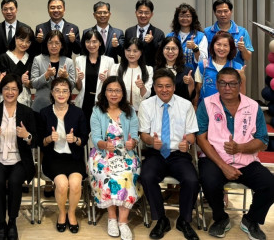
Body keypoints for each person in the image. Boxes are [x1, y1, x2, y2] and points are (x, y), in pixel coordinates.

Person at [196, 68, 274, 240]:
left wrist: (240, 148)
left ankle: (251, 220)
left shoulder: (253, 106)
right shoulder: (207, 104)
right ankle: (220, 218)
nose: (227, 87)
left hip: (245, 160)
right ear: (217, 85)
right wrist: (223, 166)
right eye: (223, 83)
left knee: (270, 184)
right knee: (208, 180)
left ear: (239, 84)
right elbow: (201, 139)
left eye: (232, 83)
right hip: (215, 160)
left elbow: (262, 140)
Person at [138, 69, 200, 240]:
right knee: (147, 177)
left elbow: (192, 135)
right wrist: (151, 141)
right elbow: (143, 134)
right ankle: (161, 219)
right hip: (156, 153)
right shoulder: (146, 105)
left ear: (174, 87)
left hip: (178, 154)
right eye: (160, 86)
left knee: (192, 180)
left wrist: (187, 143)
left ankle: (184, 220)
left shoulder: (185, 105)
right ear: (154, 87)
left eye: (168, 86)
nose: (164, 90)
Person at [0, 74, 37, 240]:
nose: (10, 92)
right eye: (6, 88)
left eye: (14, 89)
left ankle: (12, 222)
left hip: (20, 159)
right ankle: (1, 223)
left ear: (19, 91)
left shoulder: (27, 112)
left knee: (14, 182)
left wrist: (27, 136)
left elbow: (35, 141)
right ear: (1, 90)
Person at [89, 76, 141, 240]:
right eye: (110, 90)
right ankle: (112, 218)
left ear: (123, 93)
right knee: (106, 174)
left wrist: (133, 142)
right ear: (104, 92)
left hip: (126, 153)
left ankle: (123, 222)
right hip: (103, 153)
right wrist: (104, 144)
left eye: (117, 90)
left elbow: (135, 135)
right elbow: (95, 137)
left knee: (126, 175)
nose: (113, 94)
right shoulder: (97, 110)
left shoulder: (129, 111)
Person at [38, 77, 88, 233]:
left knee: (75, 184)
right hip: (53, 159)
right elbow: (39, 141)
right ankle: (61, 213)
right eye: (57, 90)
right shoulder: (44, 112)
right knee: (62, 185)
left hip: (74, 158)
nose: (61, 94)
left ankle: (71, 213)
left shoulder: (78, 112)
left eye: (65, 91)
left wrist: (76, 139)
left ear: (70, 94)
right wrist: (48, 138)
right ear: (52, 93)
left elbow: (84, 139)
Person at [74, 29, 114, 127]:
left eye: (94, 41)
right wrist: (79, 79)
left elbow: (112, 86)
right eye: (88, 41)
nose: (91, 45)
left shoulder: (109, 61)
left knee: (100, 129)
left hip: (101, 101)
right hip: (84, 101)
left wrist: (106, 80)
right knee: (83, 129)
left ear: (100, 43)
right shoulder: (79, 60)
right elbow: (78, 88)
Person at [31, 30, 75, 114]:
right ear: (46, 44)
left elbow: (72, 86)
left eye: (57, 43)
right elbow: (34, 84)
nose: (53, 46)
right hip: (41, 106)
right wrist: (46, 75)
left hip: (61, 107)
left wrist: (66, 77)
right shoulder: (38, 59)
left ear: (62, 45)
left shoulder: (69, 62)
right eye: (50, 43)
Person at [196, 31, 244, 103]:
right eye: (218, 44)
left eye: (225, 45)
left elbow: (241, 95)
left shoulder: (238, 67)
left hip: (229, 107)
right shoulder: (203, 65)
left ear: (231, 48)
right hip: (206, 107)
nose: (221, 48)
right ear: (213, 45)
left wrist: (243, 78)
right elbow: (197, 92)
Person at [204, 0, 253, 66]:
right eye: (219, 12)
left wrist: (243, 49)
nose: (223, 14)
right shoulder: (207, 32)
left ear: (231, 12)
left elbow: (247, 58)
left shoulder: (242, 32)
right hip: (213, 70)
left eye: (226, 11)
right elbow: (203, 56)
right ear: (214, 13)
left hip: (235, 70)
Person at [111, 37, 153, 112]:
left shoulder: (148, 69)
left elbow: (146, 95)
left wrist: (142, 87)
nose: (131, 54)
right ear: (124, 51)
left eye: (135, 51)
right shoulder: (116, 68)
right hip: (119, 111)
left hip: (140, 111)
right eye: (128, 50)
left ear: (141, 52)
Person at [0, 25, 35, 106]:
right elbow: (2, 81)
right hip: (7, 96)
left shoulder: (31, 59)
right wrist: (19, 80)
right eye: (21, 40)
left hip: (25, 99)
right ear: (15, 38)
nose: (24, 44)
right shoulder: (4, 57)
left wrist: (27, 83)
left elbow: (34, 85)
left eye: (28, 42)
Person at [167, 3, 208, 72]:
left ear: (193, 18)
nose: (184, 18)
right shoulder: (170, 36)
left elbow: (203, 61)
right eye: (181, 16)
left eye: (188, 16)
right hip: (173, 74)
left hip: (193, 74)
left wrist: (195, 48)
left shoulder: (200, 36)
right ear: (177, 18)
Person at [155, 37, 197, 103]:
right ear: (162, 50)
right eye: (167, 48)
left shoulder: (187, 71)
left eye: (174, 48)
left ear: (179, 50)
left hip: (180, 107)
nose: (170, 51)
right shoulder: (155, 70)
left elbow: (190, 96)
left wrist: (191, 83)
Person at [124, 0, 165, 67]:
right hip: (132, 68)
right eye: (140, 12)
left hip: (151, 69)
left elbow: (161, 55)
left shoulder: (159, 33)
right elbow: (125, 52)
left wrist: (152, 42)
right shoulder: (129, 32)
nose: (143, 15)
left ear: (151, 14)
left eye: (146, 13)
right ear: (136, 13)